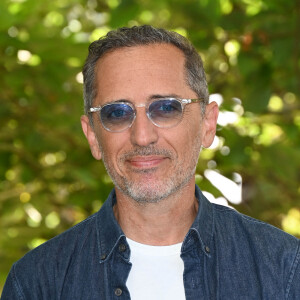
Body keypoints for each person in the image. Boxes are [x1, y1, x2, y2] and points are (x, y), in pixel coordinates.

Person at [1, 25, 299, 300]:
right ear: (92, 135)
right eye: (117, 113)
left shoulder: (284, 268)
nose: (142, 136)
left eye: (166, 108)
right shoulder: (36, 283)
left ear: (207, 124)